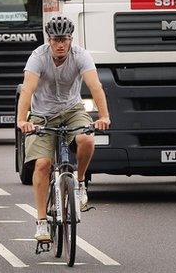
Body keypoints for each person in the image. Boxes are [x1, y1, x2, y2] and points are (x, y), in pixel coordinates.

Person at [16, 15, 111, 242]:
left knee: (87, 139)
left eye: (65, 39)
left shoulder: (81, 56)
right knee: (42, 164)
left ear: (71, 40)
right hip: (42, 115)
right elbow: (27, 90)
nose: (60, 44)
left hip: (72, 109)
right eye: (56, 39)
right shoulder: (38, 57)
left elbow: (95, 86)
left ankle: (79, 184)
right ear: (49, 40)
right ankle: (41, 223)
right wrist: (22, 120)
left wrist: (104, 115)